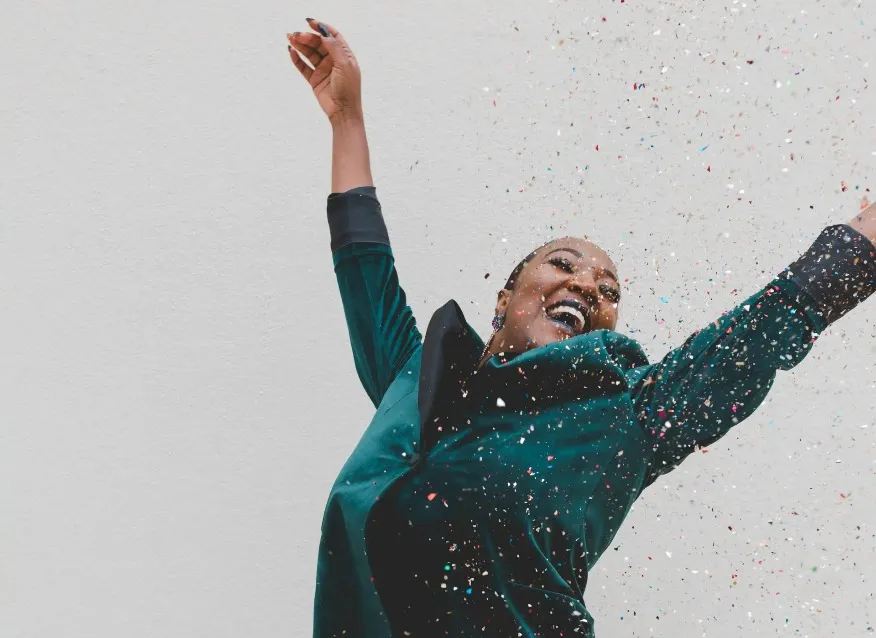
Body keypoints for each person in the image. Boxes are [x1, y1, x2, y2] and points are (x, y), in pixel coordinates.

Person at [287, 18, 876, 638]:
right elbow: (363, 263)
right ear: (506, 296)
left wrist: (865, 241)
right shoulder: (413, 380)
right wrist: (346, 118)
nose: (588, 285)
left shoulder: (627, 418)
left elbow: (756, 336)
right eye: (563, 264)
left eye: (608, 290)